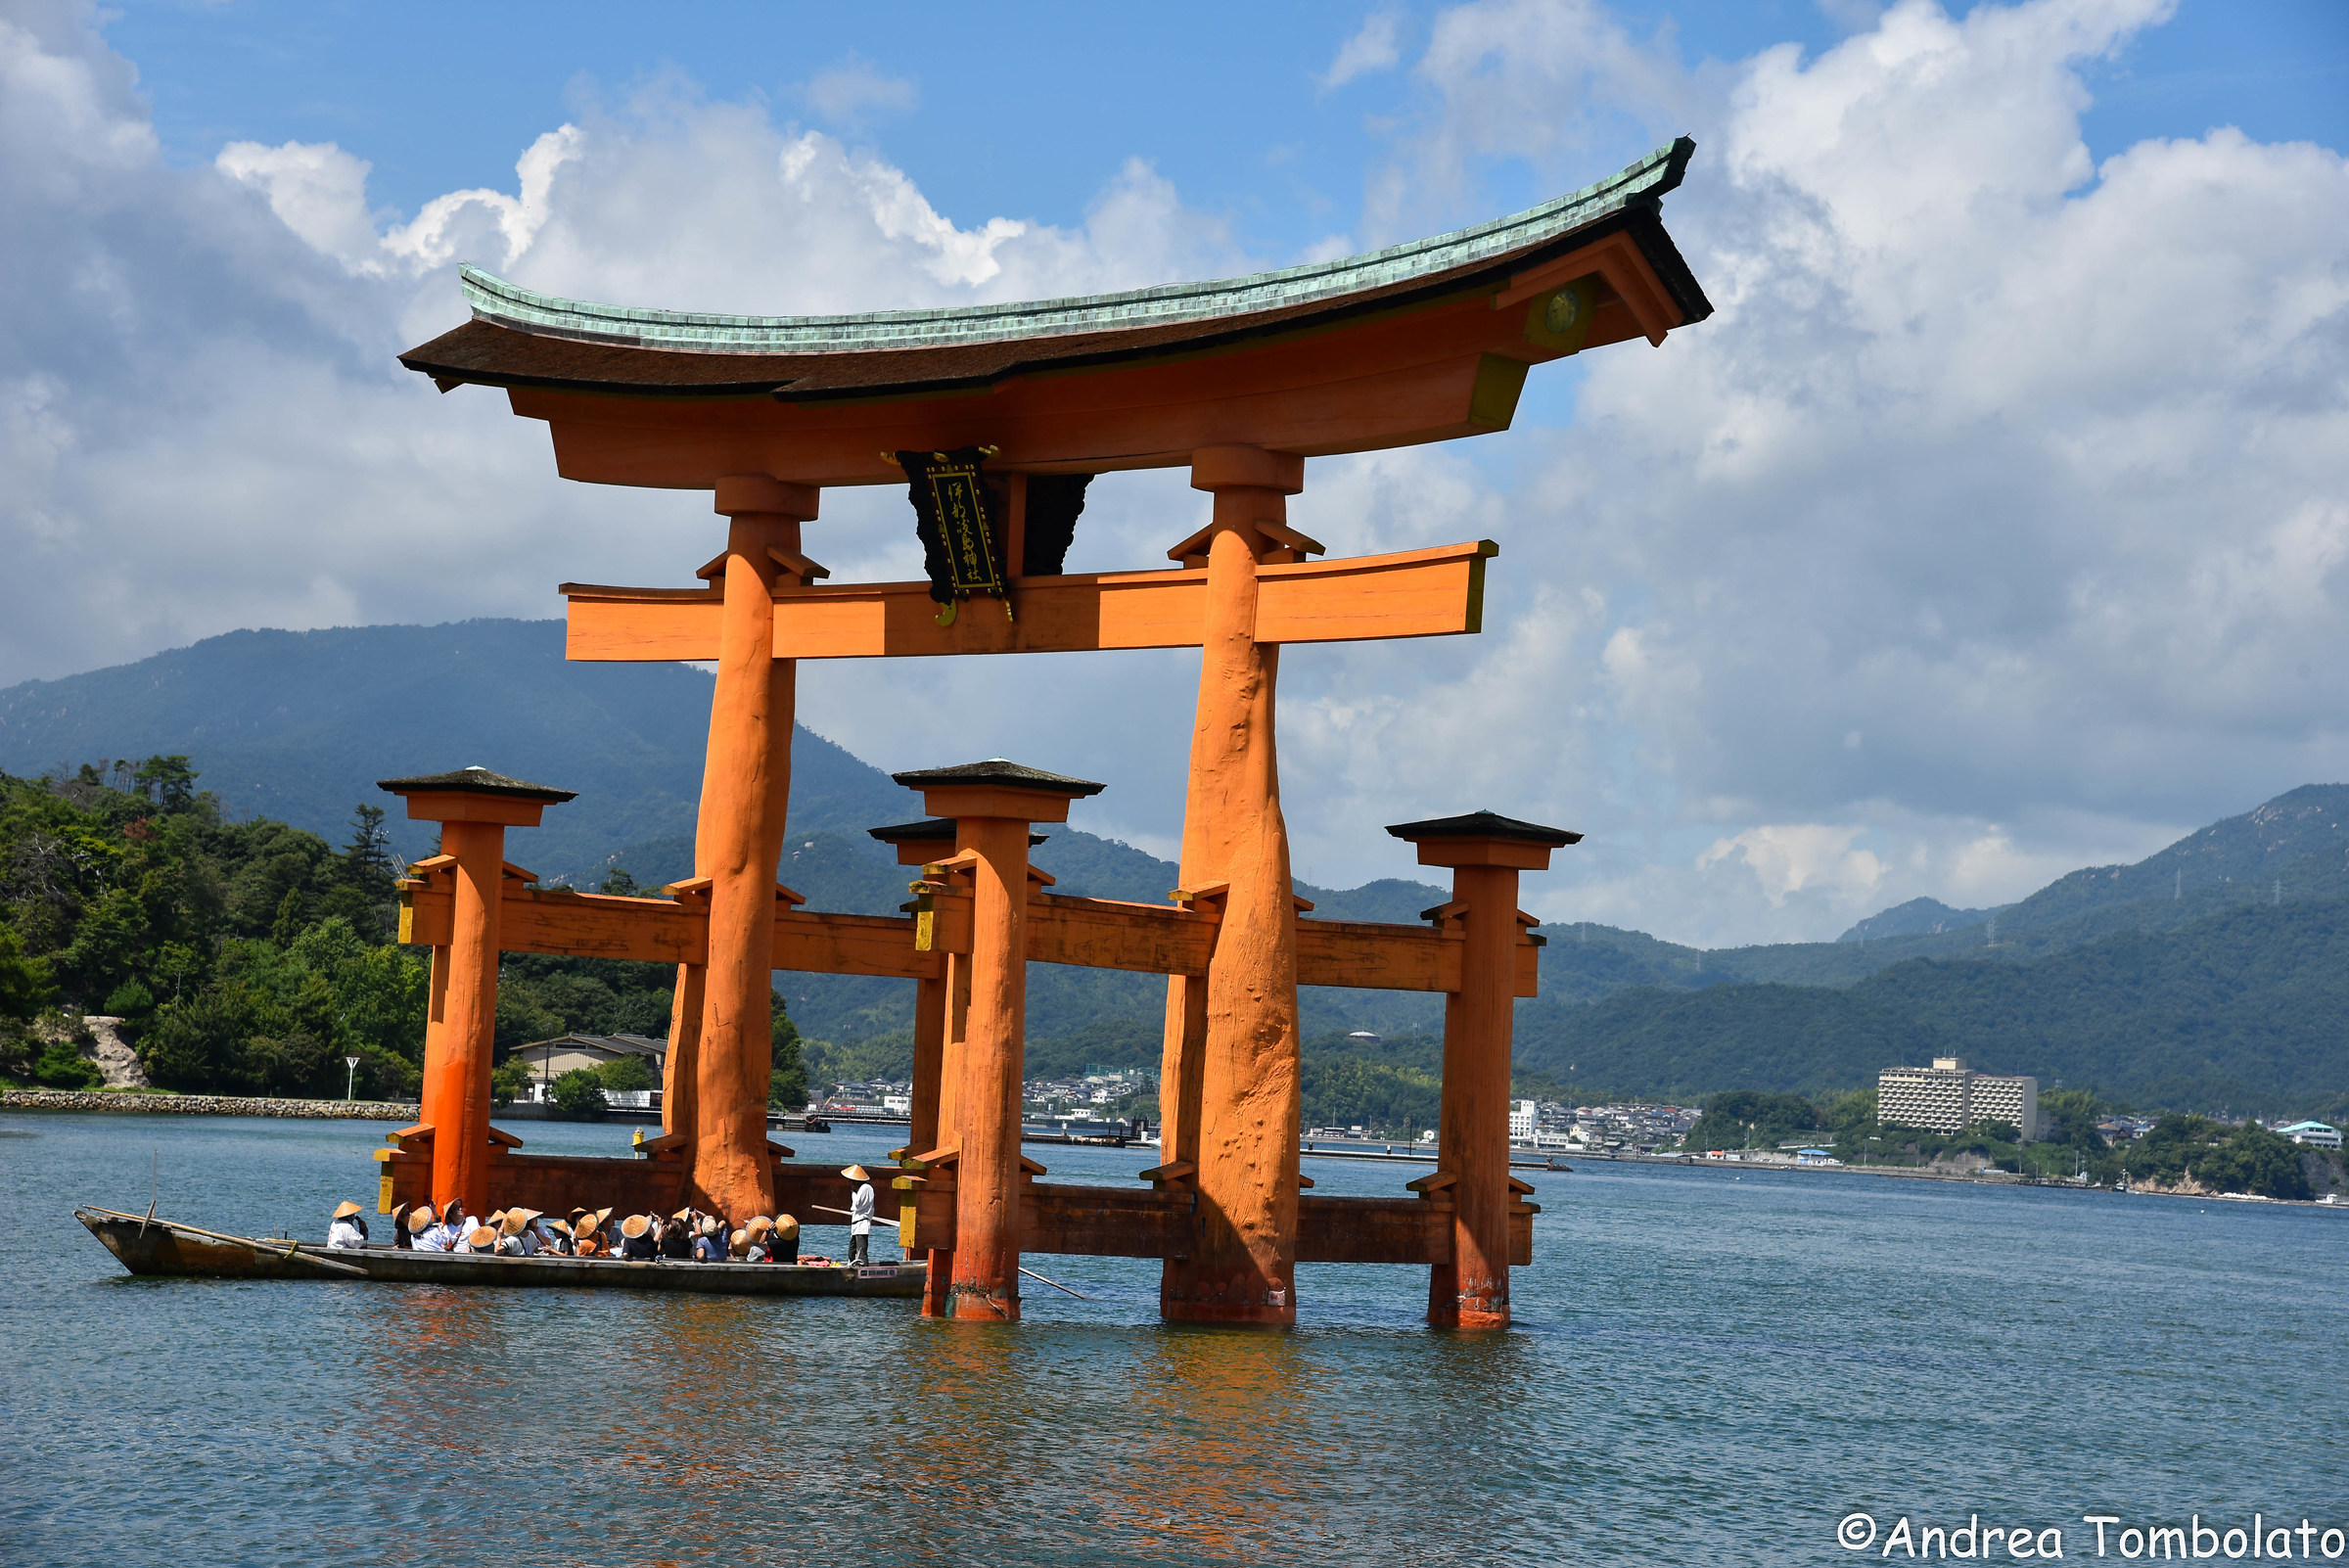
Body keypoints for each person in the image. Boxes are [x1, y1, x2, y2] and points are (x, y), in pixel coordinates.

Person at [842, 1164, 875, 1267]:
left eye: (852, 1181)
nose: (850, 1184)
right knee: (851, 1252)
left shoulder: (866, 1188)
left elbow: (858, 1205)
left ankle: (863, 1271)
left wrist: (853, 1193)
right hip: (856, 1225)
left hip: (862, 1224)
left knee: (861, 1252)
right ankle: (852, 1267)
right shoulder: (861, 1189)